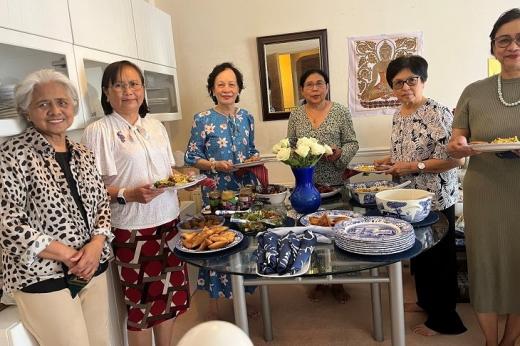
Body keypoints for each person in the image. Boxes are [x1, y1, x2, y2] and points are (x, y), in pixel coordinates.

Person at [0, 69, 113, 345]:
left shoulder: (83, 152)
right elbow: (6, 222)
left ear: (73, 106)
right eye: (43, 104)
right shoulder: (11, 154)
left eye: (62, 102)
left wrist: (97, 244)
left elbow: (102, 203)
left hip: (93, 267)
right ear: (27, 111)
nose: (55, 110)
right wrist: (69, 256)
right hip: (42, 277)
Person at [82, 60, 189, 346]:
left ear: (143, 89)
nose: (128, 91)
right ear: (106, 92)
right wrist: (127, 194)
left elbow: (167, 173)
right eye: (119, 84)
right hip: (132, 230)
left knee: (168, 298)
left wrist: (184, 177)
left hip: (169, 221)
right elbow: (89, 189)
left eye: (134, 84)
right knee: (141, 307)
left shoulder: (155, 126)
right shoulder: (98, 131)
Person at [374, 55, 466, 336]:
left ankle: (446, 321)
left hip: (436, 198)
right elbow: (407, 152)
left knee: (440, 260)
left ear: (422, 80)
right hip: (408, 200)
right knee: (420, 256)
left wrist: (413, 166)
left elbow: (456, 161)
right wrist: (389, 161)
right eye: (398, 82)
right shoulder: (398, 114)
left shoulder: (437, 112)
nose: (405, 87)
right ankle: (426, 302)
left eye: (411, 80)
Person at [447, 8, 520, 346]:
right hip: (484, 189)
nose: (512, 46)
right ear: (493, 47)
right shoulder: (474, 91)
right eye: (504, 39)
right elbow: (456, 140)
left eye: (519, 39)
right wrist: (460, 145)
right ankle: (492, 342)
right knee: (485, 267)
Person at [184, 62, 258, 316]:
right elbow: (192, 157)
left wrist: (251, 159)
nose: (227, 89)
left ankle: (245, 301)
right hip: (217, 192)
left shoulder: (247, 116)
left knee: (246, 242)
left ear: (238, 89)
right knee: (218, 244)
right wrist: (215, 164)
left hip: (246, 190)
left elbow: (252, 151)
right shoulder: (203, 119)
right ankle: (218, 307)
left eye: (232, 84)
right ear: (213, 89)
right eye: (221, 84)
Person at [287, 68, 359, 303]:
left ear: (327, 86)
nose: (315, 89)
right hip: (308, 185)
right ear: (302, 90)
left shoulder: (339, 111)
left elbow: (352, 142)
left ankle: (338, 281)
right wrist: (300, 166)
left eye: (319, 84)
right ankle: (317, 279)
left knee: (337, 232)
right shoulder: (296, 114)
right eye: (309, 84)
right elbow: (290, 147)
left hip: (336, 182)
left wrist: (340, 154)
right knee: (311, 233)